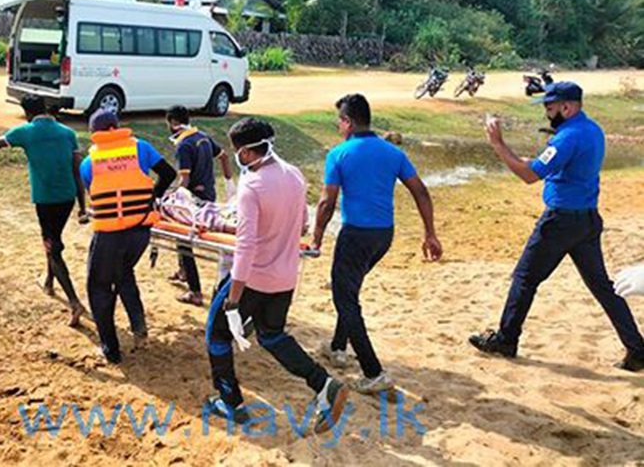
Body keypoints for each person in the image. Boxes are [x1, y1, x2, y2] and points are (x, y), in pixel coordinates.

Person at [470, 82, 644, 372]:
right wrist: (525, 159)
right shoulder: (592, 130)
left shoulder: (568, 138)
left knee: (524, 278)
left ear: (567, 107)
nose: (547, 114)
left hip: (561, 220)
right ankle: (637, 348)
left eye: (550, 108)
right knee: (603, 287)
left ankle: (506, 339)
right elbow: (547, 166)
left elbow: (528, 176)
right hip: (587, 219)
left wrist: (498, 144)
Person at [205, 117, 348, 434]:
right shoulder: (294, 176)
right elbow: (301, 227)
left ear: (245, 152)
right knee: (272, 335)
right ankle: (324, 384)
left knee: (216, 335)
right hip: (285, 278)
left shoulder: (252, 186)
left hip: (253, 278)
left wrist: (234, 298)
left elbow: (246, 245)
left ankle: (231, 404)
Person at [311, 94, 442, 393]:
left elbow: (325, 203)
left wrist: (316, 237)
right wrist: (430, 233)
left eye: (339, 122)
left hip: (356, 235)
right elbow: (421, 192)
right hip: (384, 235)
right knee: (350, 289)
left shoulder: (339, 153)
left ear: (348, 122)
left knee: (344, 298)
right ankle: (337, 347)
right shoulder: (392, 153)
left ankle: (373, 372)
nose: (338, 128)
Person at [0, 95, 87, 326]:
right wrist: (82, 207)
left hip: (46, 199)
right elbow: (77, 171)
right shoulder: (67, 133)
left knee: (52, 247)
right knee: (51, 239)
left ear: (28, 112)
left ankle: (74, 303)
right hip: (67, 198)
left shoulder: (25, 132)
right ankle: (50, 283)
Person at [80, 109, 177, 363]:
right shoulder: (141, 148)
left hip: (110, 235)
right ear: (116, 127)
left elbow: (95, 193)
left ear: (95, 134)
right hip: (140, 230)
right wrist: (152, 197)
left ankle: (110, 348)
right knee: (123, 273)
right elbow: (169, 173)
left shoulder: (88, 163)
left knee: (99, 287)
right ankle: (139, 327)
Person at [165, 105, 235, 306]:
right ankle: (183, 271)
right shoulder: (202, 136)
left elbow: (184, 179)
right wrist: (229, 183)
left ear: (172, 122)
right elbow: (223, 156)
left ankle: (195, 292)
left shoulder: (184, 145)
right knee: (182, 240)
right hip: (209, 195)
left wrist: (174, 197)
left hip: (194, 201)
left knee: (183, 240)